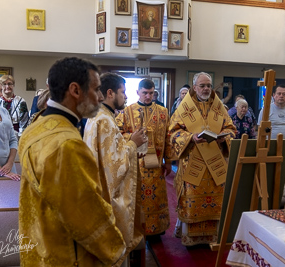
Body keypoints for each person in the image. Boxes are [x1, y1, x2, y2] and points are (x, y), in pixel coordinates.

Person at [18, 57, 127, 266]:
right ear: (76, 91)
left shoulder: (35, 125)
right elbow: (86, 216)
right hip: (66, 253)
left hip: (39, 245)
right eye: (96, 90)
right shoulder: (66, 145)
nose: (101, 97)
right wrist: (116, 250)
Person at [84, 73, 147, 265]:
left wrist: (127, 142)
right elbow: (114, 167)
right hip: (106, 197)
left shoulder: (99, 115)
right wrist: (133, 144)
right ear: (110, 93)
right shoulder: (105, 121)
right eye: (123, 92)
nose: (126, 97)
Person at [168, 72, 236, 246]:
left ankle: (214, 237)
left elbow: (231, 129)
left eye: (208, 86)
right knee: (192, 200)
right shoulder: (184, 108)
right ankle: (191, 239)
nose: (206, 89)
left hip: (215, 162)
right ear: (194, 87)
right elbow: (173, 133)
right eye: (202, 86)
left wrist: (224, 137)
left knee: (217, 201)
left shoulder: (219, 107)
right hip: (193, 162)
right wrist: (191, 137)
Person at [116, 78, 172, 236]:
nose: (148, 96)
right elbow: (118, 133)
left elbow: (168, 137)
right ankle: (140, 228)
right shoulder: (127, 111)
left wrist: (168, 161)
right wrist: (133, 137)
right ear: (138, 92)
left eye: (151, 93)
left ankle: (157, 229)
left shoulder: (163, 111)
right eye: (145, 93)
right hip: (137, 164)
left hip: (157, 164)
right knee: (139, 197)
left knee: (156, 197)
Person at [0, 75, 20, 180]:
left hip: (9, 168)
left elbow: (13, 139)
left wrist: (10, 163)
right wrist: (1, 171)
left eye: (1, 91)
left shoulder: (3, 111)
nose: (0, 94)